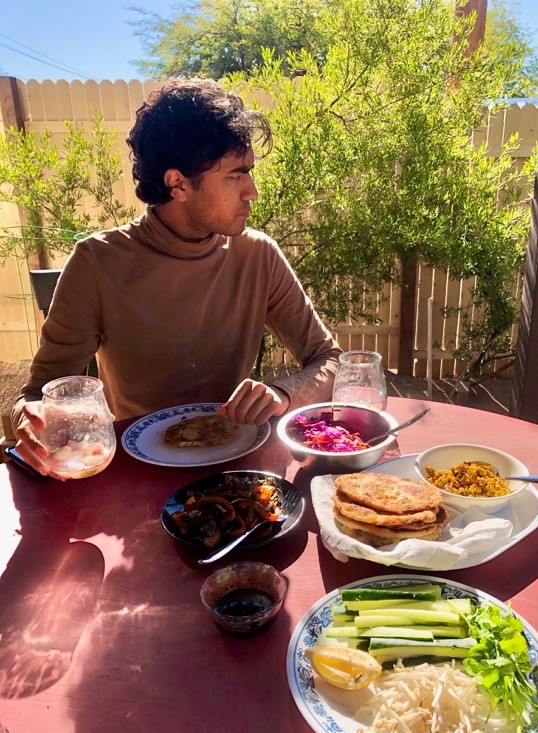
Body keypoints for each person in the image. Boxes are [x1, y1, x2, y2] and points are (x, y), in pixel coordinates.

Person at [11, 78, 341, 478]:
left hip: (239, 468)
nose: (252, 191)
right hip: (134, 475)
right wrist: (30, 419)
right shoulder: (97, 263)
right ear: (177, 184)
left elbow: (330, 360)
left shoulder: (257, 255)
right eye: (236, 175)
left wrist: (283, 394)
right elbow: (38, 394)